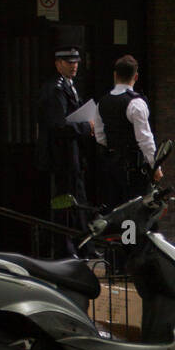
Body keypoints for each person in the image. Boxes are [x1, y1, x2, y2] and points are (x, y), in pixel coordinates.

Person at [35, 46, 93, 255]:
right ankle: (65, 247)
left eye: (76, 62)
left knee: (76, 198)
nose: (74, 66)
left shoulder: (70, 85)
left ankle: (82, 244)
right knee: (63, 201)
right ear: (58, 63)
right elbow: (58, 124)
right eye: (69, 62)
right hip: (60, 157)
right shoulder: (55, 89)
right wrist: (86, 127)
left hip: (72, 154)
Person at [94, 54, 162, 211]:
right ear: (136, 76)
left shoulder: (102, 102)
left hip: (111, 166)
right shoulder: (136, 103)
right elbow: (145, 139)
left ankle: (119, 236)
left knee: (113, 210)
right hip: (134, 169)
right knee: (133, 212)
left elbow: (100, 136)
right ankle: (129, 236)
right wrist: (155, 165)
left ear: (115, 75)